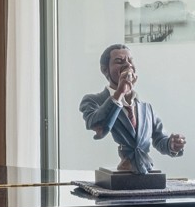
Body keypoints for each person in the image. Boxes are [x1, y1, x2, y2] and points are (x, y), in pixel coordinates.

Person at [79, 43, 186, 174]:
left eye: (130, 60)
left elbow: (159, 139)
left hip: (146, 169)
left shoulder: (146, 109)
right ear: (105, 70)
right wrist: (119, 93)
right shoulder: (93, 101)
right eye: (119, 61)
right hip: (123, 170)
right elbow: (99, 127)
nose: (128, 65)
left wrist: (172, 144)